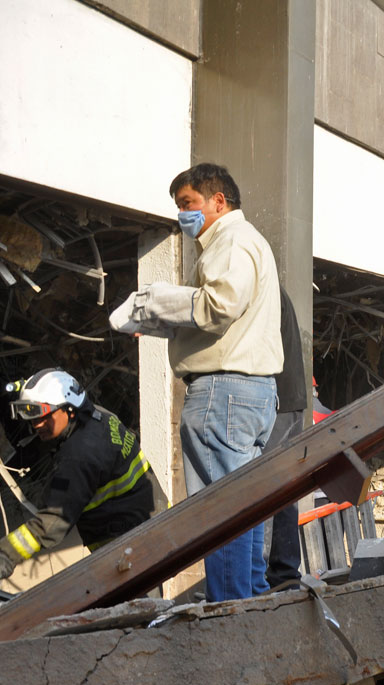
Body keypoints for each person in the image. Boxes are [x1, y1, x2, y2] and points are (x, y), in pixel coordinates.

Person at [110, 163, 283, 601]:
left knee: (219, 512)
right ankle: (251, 605)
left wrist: (159, 303)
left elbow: (219, 305)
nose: (183, 214)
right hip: (250, 394)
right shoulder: (246, 243)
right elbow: (221, 314)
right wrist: (164, 322)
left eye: (188, 204)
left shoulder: (230, 240)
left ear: (218, 201)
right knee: (245, 508)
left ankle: (228, 615)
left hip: (223, 394)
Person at [0, 369, 158, 581]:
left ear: (70, 409)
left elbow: (54, 522)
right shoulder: (99, 417)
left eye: (44, 415)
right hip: (149, 525)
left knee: (138, 610)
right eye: (31, 415)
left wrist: (6, 554)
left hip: (127, 547)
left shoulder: (80, 455)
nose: (36, 424)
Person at [264, 288, 307, 589]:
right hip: (290, 400)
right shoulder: (275, 291)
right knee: (284, 489)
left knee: (262, 489)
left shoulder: (262, 289)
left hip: (277, 403)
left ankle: (264, 575)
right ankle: (284, 573)